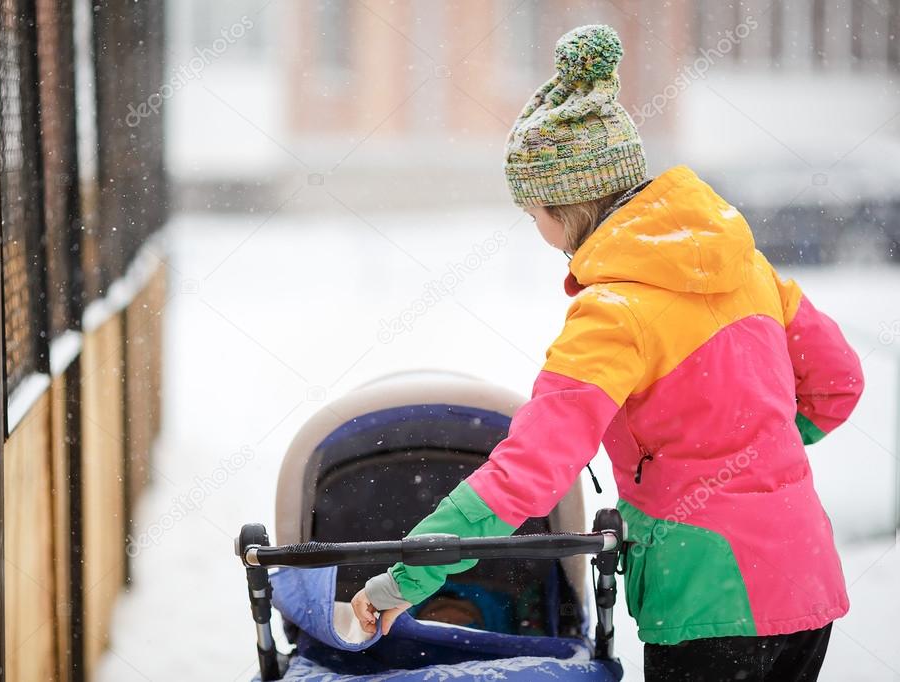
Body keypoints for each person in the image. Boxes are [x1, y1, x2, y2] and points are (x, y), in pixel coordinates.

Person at [350, 24, 864, 682]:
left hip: (708, 601)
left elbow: (529, 468)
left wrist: (403, 581)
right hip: (805, 584)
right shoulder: (747, 269)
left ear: (566, 209)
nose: (535, 232)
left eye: (533, 213)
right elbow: (838, 384)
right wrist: (750, 453)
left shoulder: (612, 312)